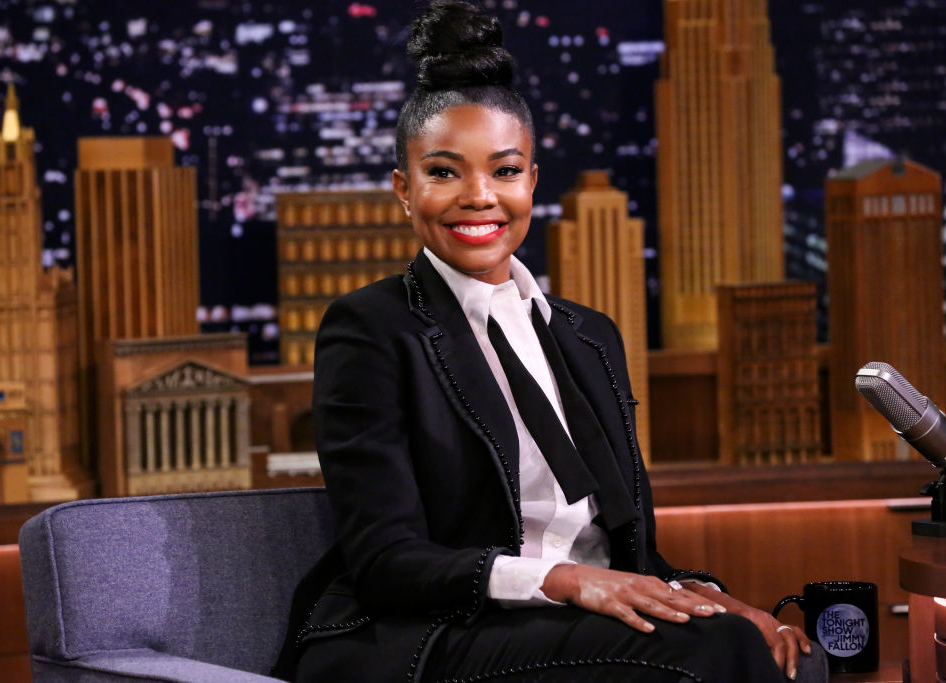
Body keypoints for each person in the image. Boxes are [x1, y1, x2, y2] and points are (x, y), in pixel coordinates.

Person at [275, 2, 822, 681]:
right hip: (433, 632)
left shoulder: (589, 336)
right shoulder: (370, 328)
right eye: (444, 172)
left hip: (572, 623)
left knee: (761, 641)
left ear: (532, 180)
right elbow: (387, 562)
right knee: (719, 653)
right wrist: (562, 580)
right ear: (404, 189)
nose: (479, 196)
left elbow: (623, 550)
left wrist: (710, 596)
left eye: (504, 171)